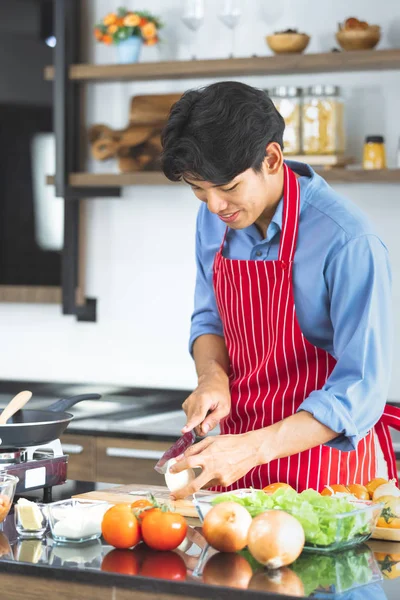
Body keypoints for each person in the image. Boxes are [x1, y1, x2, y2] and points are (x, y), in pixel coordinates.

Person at [161, 81, 400, 500]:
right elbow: (209, 317)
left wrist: (254, 449)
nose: (215, 205)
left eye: (228, 187)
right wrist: (211, 377)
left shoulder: (347, 241)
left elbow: (360, 389)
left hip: (324, 478)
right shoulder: (217, 220)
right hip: (230, 467)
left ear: (271, 158)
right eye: (198, 189)